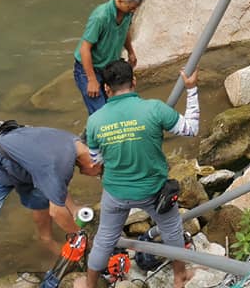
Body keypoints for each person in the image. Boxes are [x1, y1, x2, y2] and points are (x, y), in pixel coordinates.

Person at [79, 59, 199, 288]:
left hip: (116, 193)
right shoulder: (154, 108)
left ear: (106, 88)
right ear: (134, 81)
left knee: (104, 239)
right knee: (172, 228)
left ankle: (90, 284)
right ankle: (179, 277)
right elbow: (191, 128)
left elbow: (95, 161)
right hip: (153, 191)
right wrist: (191, 88)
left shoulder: (95, 121)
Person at [0, 127, 102, 288]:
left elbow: (56, 185)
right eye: (101, 173)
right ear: (94, 164)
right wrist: (80, 237)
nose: (97, 176)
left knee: (41, 199)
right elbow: (57, 211)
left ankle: (45, 239)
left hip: (23, 166)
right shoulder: (61, 162)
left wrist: (73, 208)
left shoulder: (75, 145)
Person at [74, 0, 144, 115]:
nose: (133, 11)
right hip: (89, 69)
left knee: (115, 106)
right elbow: (84, 49)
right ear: (121, 0)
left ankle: (90, 133)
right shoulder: (100, 17)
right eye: (131, 8)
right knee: (100, 113)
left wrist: (131, 52)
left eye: (135, 8)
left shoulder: (127, 13)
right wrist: (92, 80)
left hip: (109, 67)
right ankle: (93, 134)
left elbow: (125, 31)